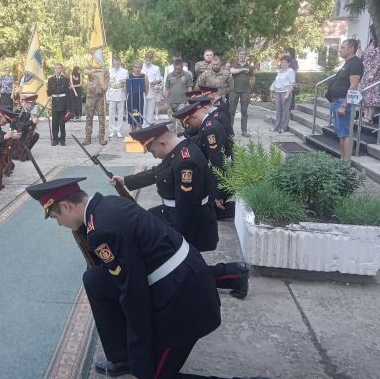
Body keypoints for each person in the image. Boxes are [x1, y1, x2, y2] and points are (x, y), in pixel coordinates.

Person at [25, 177, 222, 379]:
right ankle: (121, 358)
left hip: (186, 298)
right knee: (95, 279)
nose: (59, 224)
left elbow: (133, 293)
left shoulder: (101, 230)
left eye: (56, 217)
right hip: (184, 276)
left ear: (66, 206)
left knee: (149, 374)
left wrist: (140, 352)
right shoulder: (106, 205)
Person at [111, 123, 248, 299]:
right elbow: (157, 173)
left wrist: (176, 238)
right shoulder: (178, 150)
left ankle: (235, 274)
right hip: (172, 213)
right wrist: (126, 181)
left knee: (181, 270)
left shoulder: (186, 161)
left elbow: (187, 207)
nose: (154, 156)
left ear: (162, 143)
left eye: (152, 151)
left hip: (188, 221)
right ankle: (235, 274)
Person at [325, 39, 364, 161]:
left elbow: (353, 86)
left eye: (342, 47)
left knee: (345, 133)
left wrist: (344, 104)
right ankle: (342, 159)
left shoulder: (355, 63)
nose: (340, 50)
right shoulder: (348, 63)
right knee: (341, 133)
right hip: (337, 101)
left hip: (343, 101)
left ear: (351, 48)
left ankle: (346, 161)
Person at [229, 48, 255, 137]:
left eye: (243, 54)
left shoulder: (250, 67)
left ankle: (244, 131)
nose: (241, 55)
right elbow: (232, 71)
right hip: (233, 91)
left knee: (244, 112)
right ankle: (230, 131)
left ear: (245, 55)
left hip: (245, 92)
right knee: (231, 112)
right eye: (240, 54)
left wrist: (250, 88)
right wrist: (243, 69)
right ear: (237, 55)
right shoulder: (233, 65)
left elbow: (252, 78)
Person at [359, 28, 380, 124]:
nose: (370, 34)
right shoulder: (370, 44)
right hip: (366, 72)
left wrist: (373, 73)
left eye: (371, 32)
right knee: (365, 94)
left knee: (372, 95)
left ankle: (369, 117)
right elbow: (362, 57)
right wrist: (359, 47)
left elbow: (379, 60)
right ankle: (365, 115)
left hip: (374, 74)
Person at [164, 58, 193, 133]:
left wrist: (188, 101)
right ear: (173, 66)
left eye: (179, 69)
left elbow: (190, 88)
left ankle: (181, 138)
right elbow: (167, 89)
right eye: (175, 68)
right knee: (171, 123)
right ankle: (172, 140)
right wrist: (165, 101)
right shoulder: (169, 76)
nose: (177, 70)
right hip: (171, 102)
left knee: (181, 122)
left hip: (182, 102)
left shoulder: (187, 75)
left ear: (182, 66)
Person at [83, 65, 109, 145]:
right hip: (90, 97)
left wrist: (103, 85)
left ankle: (101, 138)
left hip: (100, 97)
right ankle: (88, 138)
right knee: (89, 118)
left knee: (101, 118)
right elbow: (85, 71)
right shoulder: (90, 67)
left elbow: (106, 85)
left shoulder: (105, 70)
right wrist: (95, 70)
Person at [269, 54, 295, 133]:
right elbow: (275, 81)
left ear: (288, 63)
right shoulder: (279, 71)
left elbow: (292, 84)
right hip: (278, 92)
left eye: (285, 62)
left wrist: (287, 94)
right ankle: (276, 126)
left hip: (285, 92)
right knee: (278, 110)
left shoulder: (290, 71)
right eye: (282, 62)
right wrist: (271, 91)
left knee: (285, 111)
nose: (283, 63)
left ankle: (284, 127)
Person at [10, 94, 40, 161]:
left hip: (24, 132)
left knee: (36, 135)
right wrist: (32, 122)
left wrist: (32, 127)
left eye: (33, 105)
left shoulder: (28, 112)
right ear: (26, 103)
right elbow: (19, 126)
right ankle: (19, 152)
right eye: (31, 105)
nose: (32, 107)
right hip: (16, 134)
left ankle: (26, 151)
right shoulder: (19, 112)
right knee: (16, 155)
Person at [47, 63, 70, 146]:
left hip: (63, 103)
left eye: (59, 68)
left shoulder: (66, 80)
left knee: (62, 122)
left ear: (61, 69)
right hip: (54, 103)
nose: (57, 70)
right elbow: (49, 93)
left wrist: (68, 107)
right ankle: (55, 139)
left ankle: (62, 139)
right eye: (56, 68)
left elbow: (68, 94)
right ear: (54, 69)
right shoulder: (50, 80)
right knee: (55, 122)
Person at [107, 54, 129, 138]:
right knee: (111, 113)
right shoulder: (109, 71)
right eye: (115, 63)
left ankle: (119, 130)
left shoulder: (125, 71)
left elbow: (126, 84)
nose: (116, 64)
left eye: (118, 63)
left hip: (121, 93)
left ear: (120, 62)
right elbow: (108, 85)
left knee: (120, 113)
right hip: (112, 93)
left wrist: (126, 91)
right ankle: (112, 130)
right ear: (113, 63)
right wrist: (107, 96)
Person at [141, 50, 163, 126]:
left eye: (150, 60)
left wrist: (151, 82)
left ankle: (149, 125)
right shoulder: (141, 67)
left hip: (151, 90)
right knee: (143, 108)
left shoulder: (156, 68)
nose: (148, 61)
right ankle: (143, 125)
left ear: (152, 60)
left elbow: (159, 79)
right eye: (146, 59)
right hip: (142, 90)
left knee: (150, 109)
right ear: (144, 59)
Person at [126, 60, 148, 132]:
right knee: (132, 115)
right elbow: (126, 88)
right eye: (136, 67)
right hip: (131, 99)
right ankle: (132, 130)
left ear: (141, 68)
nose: (137, 69)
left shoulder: (144, 76)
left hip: (140, 99)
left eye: (139, 67)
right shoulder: (129, 76)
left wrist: (145, 96)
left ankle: (139, 130)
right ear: (133, 67)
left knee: (138, 114)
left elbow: (146, 89)